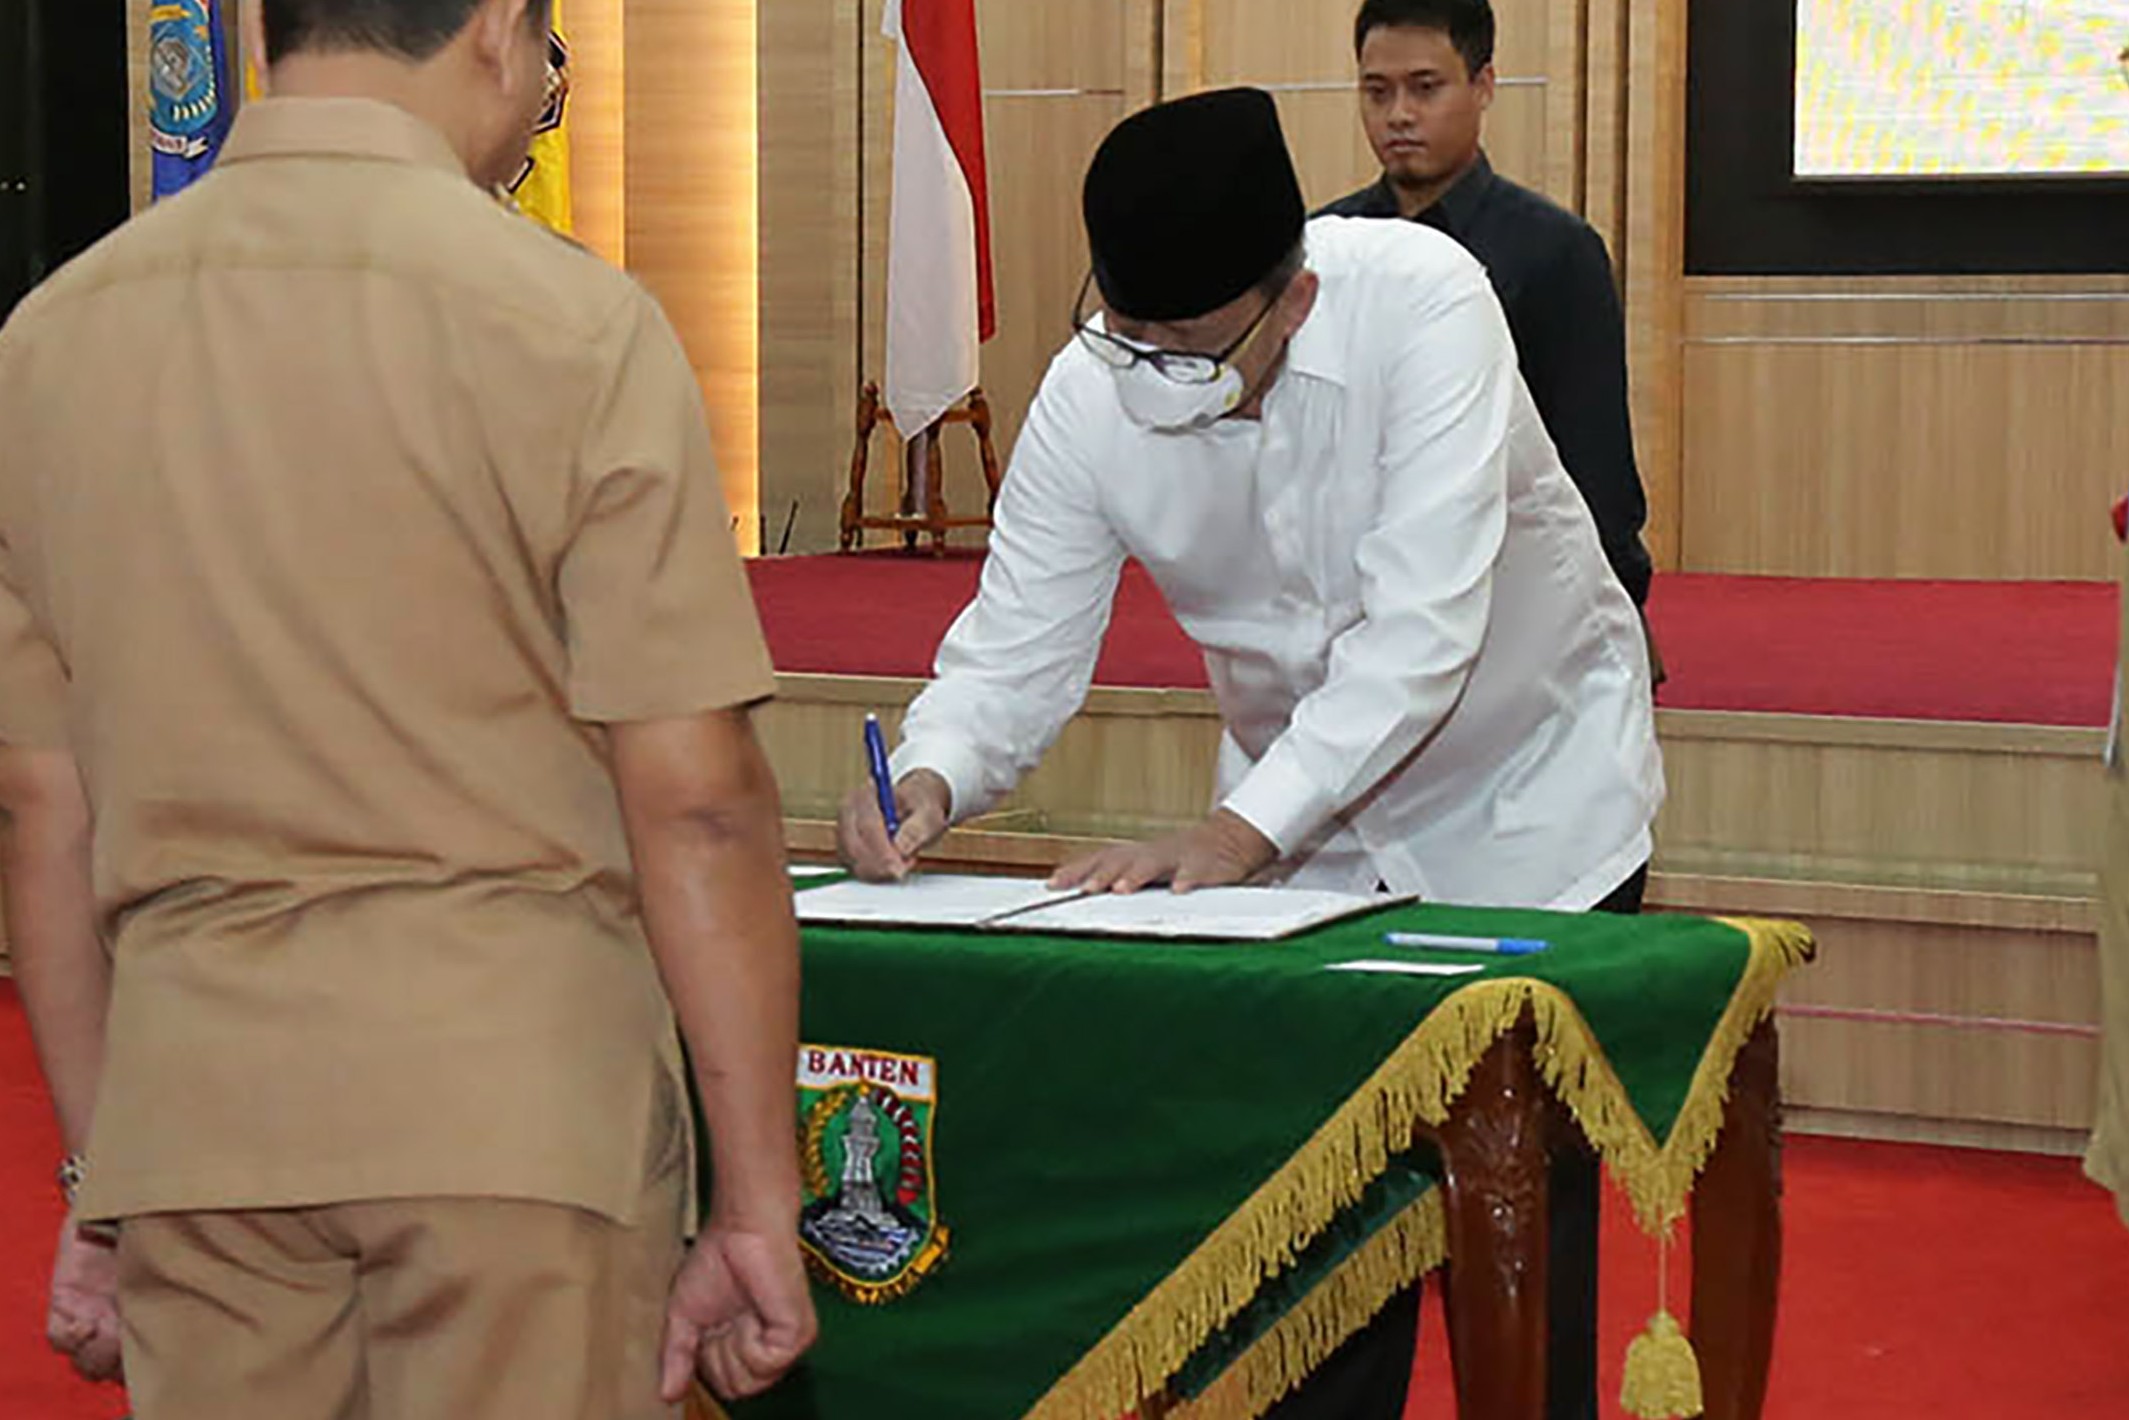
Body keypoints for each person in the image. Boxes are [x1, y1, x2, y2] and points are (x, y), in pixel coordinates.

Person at [0, 1, 815, 1414]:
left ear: (262, 30)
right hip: (515, 1112)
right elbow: (695, 802)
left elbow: (38, 801)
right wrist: (756, 1203)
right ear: (502, 30)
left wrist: (104, 1174)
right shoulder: (571, 324)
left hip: (198, 1118)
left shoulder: (51, 339)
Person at [836, 87, 1661, 1418]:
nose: (1152, 369)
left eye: (1191, 347)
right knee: (1307, 1238)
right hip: (1299, 847)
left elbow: (1418, 636)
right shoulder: (1092, 391)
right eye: (1129, 331)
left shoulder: (1427, 305)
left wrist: (1228, 838)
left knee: (1511, 1236)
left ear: (1294, 298)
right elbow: (1017, 641)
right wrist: (930, 776)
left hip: (1527, 807)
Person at [1320, 0, 1657, 622]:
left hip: (1515, 598)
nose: (1399, 114)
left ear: (1483, 86)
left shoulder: (1556, 251)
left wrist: (1618, 612)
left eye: (1426, 88)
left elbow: (1594, 460)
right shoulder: (1324, 246)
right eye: (1377, 91)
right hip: (1351, 596)